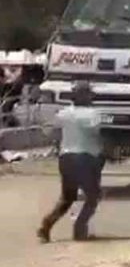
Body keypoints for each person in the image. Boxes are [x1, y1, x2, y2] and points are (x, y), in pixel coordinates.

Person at [38, 81, 106, 242]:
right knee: (93, 196)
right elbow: (100, 135)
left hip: (65, 157)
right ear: (86, 95)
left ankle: (46, 225)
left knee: (67, 197)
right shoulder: (94, 114)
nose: (91, 96)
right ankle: (79, 229)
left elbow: (49, 131)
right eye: (89, 93)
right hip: (86, 158)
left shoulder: (64, 113)